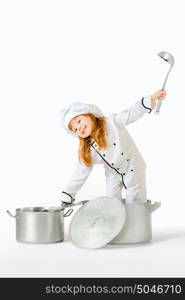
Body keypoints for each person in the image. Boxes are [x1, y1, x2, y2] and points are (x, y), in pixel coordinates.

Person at [58, 90, 166, 204]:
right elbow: (80, 172)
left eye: (79, 121)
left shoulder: (111, 122)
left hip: (133, 166)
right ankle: (116, 220)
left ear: (88, 115)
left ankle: (137, 219)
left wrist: (150, 99)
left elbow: (131, 113)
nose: (79, 128)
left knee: (135, 202)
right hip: (113, 175)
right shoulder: (88, 149)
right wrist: (68, 193)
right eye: (75, 129)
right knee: (111, 203)